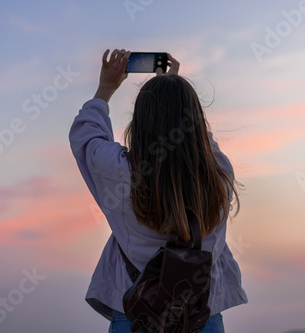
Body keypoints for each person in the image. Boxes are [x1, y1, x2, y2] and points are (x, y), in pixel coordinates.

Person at [69, 49, 248, 332]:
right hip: (202, 317)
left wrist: (105, 89)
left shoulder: (119, 172)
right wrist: (174, 94)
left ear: (138, 122)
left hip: (137, 316)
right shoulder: (219, 174)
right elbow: (202, 142)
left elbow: (86, 135)